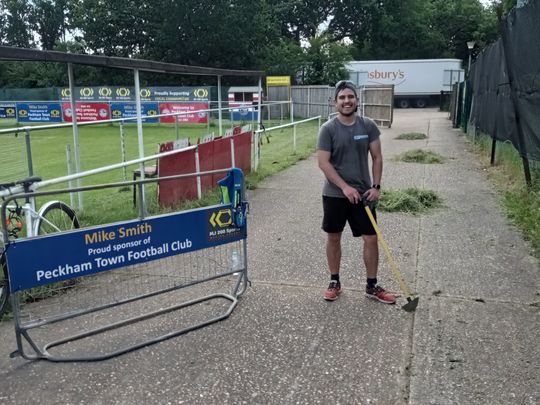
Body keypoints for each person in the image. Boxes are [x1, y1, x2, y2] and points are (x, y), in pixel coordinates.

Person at [317, 80, 396, 304]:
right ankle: (334, 281)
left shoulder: (368, 126)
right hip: (334, 195)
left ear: (357, 100)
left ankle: (372, 286)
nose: (346, 101)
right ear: (335, 103)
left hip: (363, 196)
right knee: (334, 237)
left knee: (371, 238)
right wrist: (344, 187)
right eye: (342, 98)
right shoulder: (328, 129)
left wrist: (376, 187)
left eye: (350, 97)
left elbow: (377, 157)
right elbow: (323, 163)